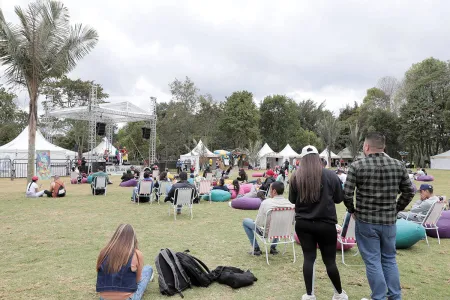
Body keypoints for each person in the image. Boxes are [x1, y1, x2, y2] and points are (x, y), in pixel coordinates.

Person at [343, 133, 414, 300]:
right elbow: (409, 191)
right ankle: (395, 296)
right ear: (383, 147)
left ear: (366, 147)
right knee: (389, 259)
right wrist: (396, 209)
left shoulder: (357, 165)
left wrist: (352, 210)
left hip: (366, 221)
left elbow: (346, 194)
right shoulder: (398, 165)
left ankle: (379, 297)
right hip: (389, 222)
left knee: (373, 261)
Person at [289, 145, 348, 300]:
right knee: (330, 261)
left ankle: (309, 295)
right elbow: (338, 198)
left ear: (302, 160)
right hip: (326, 224)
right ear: (318, 158)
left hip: (303, 224)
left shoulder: (295, 177)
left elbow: (291, 200)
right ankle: (339, 294)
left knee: (309, 258)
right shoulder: (330, 175)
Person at [96, 224, 153, 300]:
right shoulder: (136, 253)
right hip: (128, 297)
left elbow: (99, 273)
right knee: (148, 269)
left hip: (104, 298)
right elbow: (138, 280)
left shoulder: (103, 252)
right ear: (133, 238)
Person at [243, 181, 294, 256]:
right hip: (283, 231)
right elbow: (292, 221)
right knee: (279, 223)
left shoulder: (266, 203)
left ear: (274, 191)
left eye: (270, 190)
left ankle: (256, 248)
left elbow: (258, 222)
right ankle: (273, 247)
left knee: (245, 221)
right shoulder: (290, 205)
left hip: (267, 233)